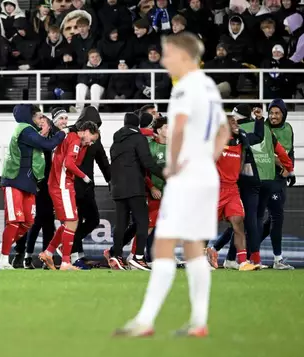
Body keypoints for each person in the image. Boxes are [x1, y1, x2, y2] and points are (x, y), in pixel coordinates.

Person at [114, 32, 231, 338]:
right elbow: (224, 131)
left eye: (167, 55)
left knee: (163, 244)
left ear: (181, 54)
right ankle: (199, 322)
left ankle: (145, 320)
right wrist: (207, 157)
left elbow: (177, 129)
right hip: (207, 173)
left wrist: (173, 165)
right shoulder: (208, 86)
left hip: (187, 176)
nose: (164, 61)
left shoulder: (184, 89)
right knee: (193, 247)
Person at [0, 104, 65, 270]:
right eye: (39, 116)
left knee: (28, 222)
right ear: (30, 116)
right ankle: (4, 260)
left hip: (28, 183)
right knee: (15, 222)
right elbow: (47, 145)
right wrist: (63, 133)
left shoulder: (29, 131)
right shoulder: (24, 129)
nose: (41, 119)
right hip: (14, 181)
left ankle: (3, 247)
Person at [205, 112, 265, 271]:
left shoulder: (241, 140)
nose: (235, 124)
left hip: (232, 189)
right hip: (216, 189)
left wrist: (258, 120)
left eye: (235, 121)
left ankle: (243, 261)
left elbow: (257, 137)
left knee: (238, 222)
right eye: (231, 122)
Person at [106, 112, 165, 271]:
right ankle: (138, 258)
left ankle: (116, 256)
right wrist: (166, 175)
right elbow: (148, 162)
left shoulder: (115, 142)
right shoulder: (138, 138)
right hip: (134, 187)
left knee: (121, 224)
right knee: (143, 222)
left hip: (117, 188)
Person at [39, 120, 99, 271]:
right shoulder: (75, 139)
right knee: (72, 221)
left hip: (60, 184)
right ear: (85, 131)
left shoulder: (71, 138)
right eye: (91, 139)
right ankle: (66, 262)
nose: (91, 143)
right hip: (62, 185)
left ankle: (48, 252)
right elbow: (69, 164)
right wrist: (84, 177)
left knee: (70, 222)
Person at [71, 106, 111, 266]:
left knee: (93, 220)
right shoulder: (72, 134)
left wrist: (110, 180)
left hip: (87, 186)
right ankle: (76, 255)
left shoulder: (96, 138)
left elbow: (102, 160)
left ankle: (72, 247)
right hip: (72, 185)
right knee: (75, 222)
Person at [259, 99, 295, 269]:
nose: (273, 116)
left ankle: (245, 251)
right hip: (267, 178)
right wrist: (285, 166)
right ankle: (277, 259)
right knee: (276, 217)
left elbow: (290, 151)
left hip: (281, 179)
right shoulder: (264, 128)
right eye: (271, 113)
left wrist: (290, 170)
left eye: (277, 113)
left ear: (283, 114)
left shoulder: (288, 129)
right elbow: (268, 154)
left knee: (268, 222)